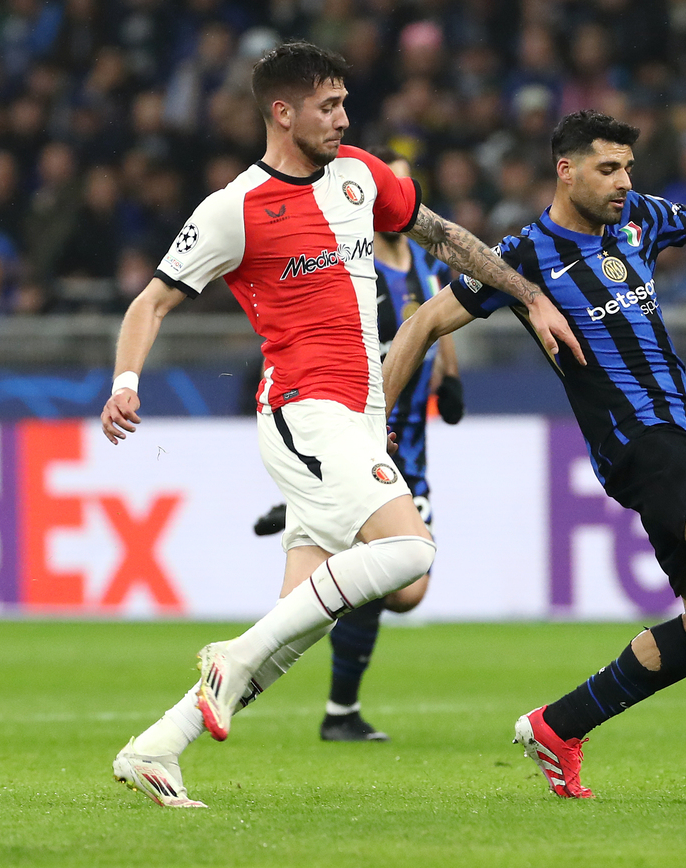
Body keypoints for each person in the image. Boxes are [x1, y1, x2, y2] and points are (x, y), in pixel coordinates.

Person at [101, 41, 582, 809]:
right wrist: (125, 382)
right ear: (282, 113)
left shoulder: (361, 174)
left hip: (357, 419)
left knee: (297, 627)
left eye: (345, 103)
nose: (344, 118)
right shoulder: (234, 209)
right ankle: (229, 656)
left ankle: (156, 746)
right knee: (410, 551)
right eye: (327, 106)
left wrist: (529, 295)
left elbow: (441, 236)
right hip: (303, 410)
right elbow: (150, 302)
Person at [381, 109, 686, 800]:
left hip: (684, 430)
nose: (623, 182)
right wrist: (375, 418)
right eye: (608, 168)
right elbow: (423, 323)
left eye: (628, 168)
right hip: (634, 439)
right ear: (566, 170)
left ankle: (559, 726)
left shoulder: (638, 218)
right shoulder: (522, 257)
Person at [253, 147, 465, 743]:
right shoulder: (353, 259)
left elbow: (435, 316)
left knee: (407, 591)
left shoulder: (420, 260)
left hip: (412, 440)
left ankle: (311, 511)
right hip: (366, 430)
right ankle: (340, 710)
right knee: (393, 568)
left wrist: (451, 375)